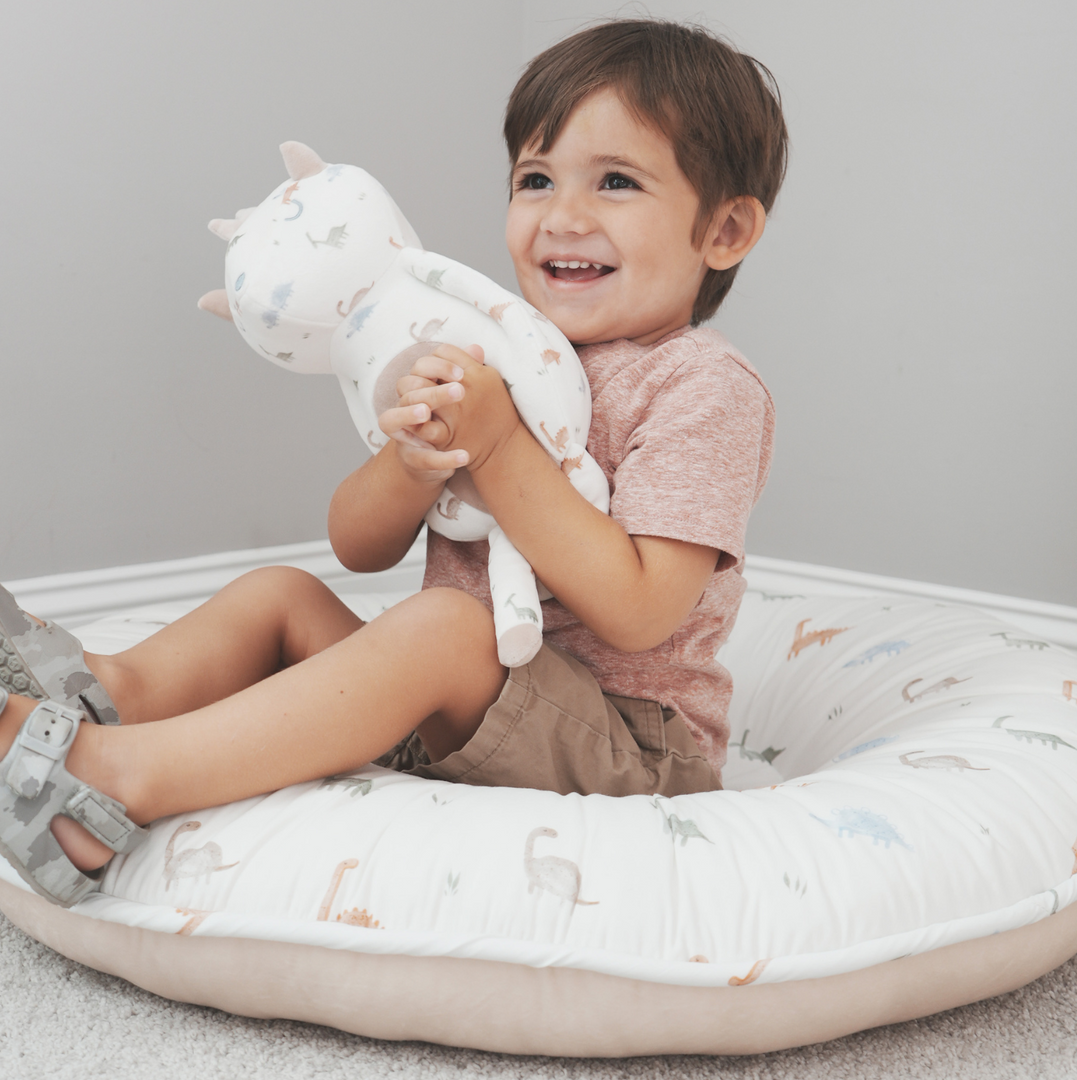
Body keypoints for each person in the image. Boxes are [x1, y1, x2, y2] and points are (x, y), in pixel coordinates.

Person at [0, 18, 787, 905]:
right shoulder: (495, 354)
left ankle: (117, 776)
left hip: (628, 749)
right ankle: (106, 693)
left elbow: (641, 609)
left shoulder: (703, 386)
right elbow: (358, 548)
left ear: (723, 230)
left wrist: (497, 448)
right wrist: (412, 463)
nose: (563, 215)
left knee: (450, 625)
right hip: (460, 715)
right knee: (283, 596)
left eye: (615, 181)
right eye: (535, 179)